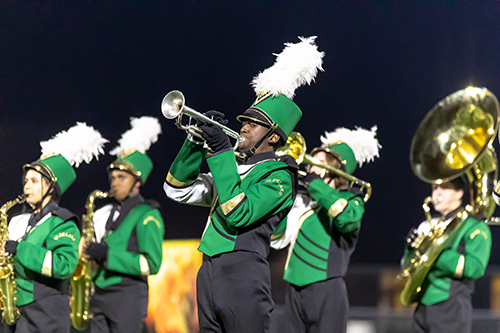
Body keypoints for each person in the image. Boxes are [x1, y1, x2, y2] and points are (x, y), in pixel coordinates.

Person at [164, 36, 324, 332]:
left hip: (243, 273)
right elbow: (177, 189)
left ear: (274, 136)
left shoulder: (281, 175)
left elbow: (238, 211)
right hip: (208, 270)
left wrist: (222, 153)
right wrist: (195, 144)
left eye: (255, 122)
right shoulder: (234, 168)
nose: (244, 125)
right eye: (245, 119)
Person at [271, 126, 380, 333]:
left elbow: (346, 220)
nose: (310, 167)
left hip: (326, 288)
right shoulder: (304, 201)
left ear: (335, 169)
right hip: (293, 287)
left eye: (319, 163)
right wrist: (282, 190)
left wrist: (318, 187)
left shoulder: (352, 200)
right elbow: (277, 237)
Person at [3, 123, 107, 333]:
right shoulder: (21, 221)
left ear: (51, 187)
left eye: (34, 181)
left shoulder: (63, 222)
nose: (26, 186)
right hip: (19, 310)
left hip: (47, 313)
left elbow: (64, 265)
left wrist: (20, 249)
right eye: (26, 181)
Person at [85, 116, 164, 333]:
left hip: (127, 296)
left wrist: (108, 254)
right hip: (99, 293)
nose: (115, 182)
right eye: (113, 177)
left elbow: (152, 264)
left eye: (122, 177)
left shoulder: (148, 214)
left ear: (137, 182)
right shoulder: (107, 213)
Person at [402, 177, 491, 333]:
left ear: (459, 193)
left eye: (443, 187)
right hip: (422, 306)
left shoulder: (474, 226)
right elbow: (406, 266)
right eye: (434, 188)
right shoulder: (428, 225)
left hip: (451, 307)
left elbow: (475, 267)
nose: (437, 193)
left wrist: (434, 254)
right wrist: (411, 250)